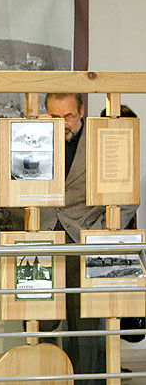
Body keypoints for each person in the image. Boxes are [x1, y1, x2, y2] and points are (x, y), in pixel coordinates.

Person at [40, 93, 138, 385]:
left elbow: (127, 196)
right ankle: (48, 379)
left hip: (85, 241)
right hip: (42, 240)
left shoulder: (103, 141)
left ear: (82, 110)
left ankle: (86, 382)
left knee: (85, 325)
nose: (63, 124)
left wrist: (105, 231)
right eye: (56, 117)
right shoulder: (35, 138)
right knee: (40, 322)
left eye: (68, 116)